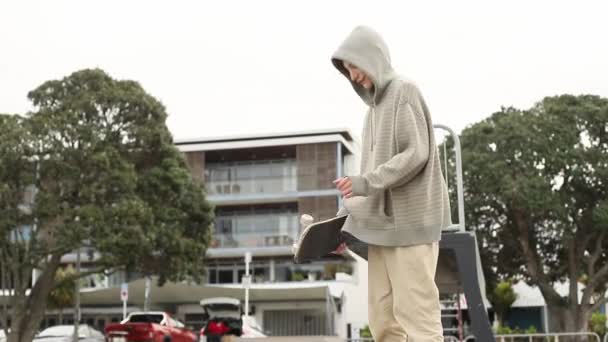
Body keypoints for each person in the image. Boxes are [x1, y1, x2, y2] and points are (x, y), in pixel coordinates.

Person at [331, 26, 451, 341]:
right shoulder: (371, 112)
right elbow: (369, 183)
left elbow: (416, 153)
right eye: (348, 71)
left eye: (354, 65)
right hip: (381, 229)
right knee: (383, 321)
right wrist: (352, 222)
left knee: (418, 319)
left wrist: (364, 182)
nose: (353, 76)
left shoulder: (404, 91)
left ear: (371, 57)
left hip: (410, 225)